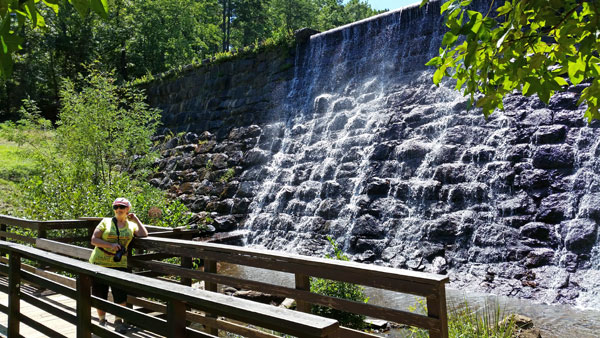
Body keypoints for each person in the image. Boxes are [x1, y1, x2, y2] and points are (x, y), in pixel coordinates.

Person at [89, 197, 148, 333]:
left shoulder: (131, 225)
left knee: (119, 293)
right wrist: (110, 245)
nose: (118, 210)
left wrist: (136, 219)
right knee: (100, 293)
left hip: (119, 263)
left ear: (128, 209)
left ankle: (118, 321)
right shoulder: (106, 222)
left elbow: (144, 234)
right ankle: (102, 320)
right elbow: (94, 240)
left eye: (122, 207)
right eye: (116, 207)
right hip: (99, 262)